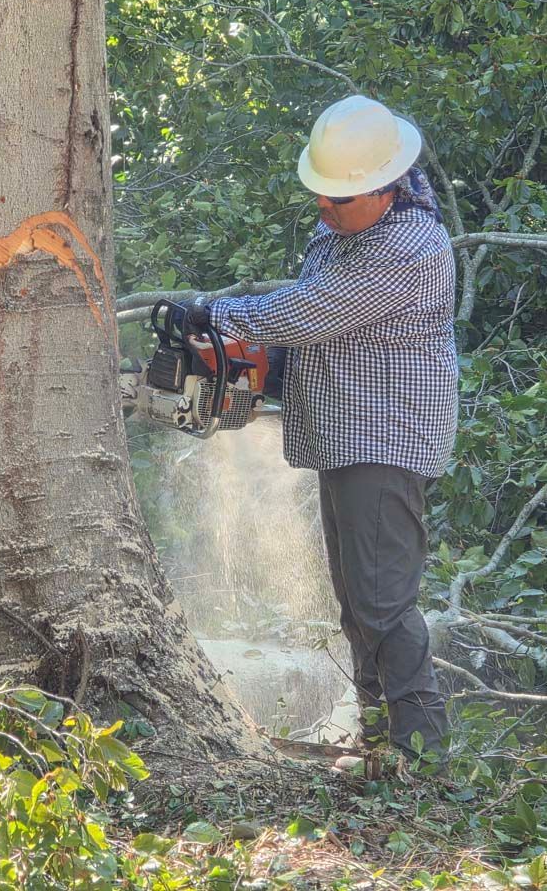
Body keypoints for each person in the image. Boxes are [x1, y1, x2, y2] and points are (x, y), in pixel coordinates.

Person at [185, 95, 458, 757]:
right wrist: (257, 365)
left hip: (384, 437)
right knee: (359, 606)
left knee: (382, 605)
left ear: (383, 183)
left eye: (339, 198)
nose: (325, 207)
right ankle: (381, 746)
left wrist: (216, 316)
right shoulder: (345, 228)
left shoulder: (411, 247)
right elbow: (331, 333)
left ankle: (421, 759)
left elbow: (312, 312)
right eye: (322, 194)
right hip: (347, 428)